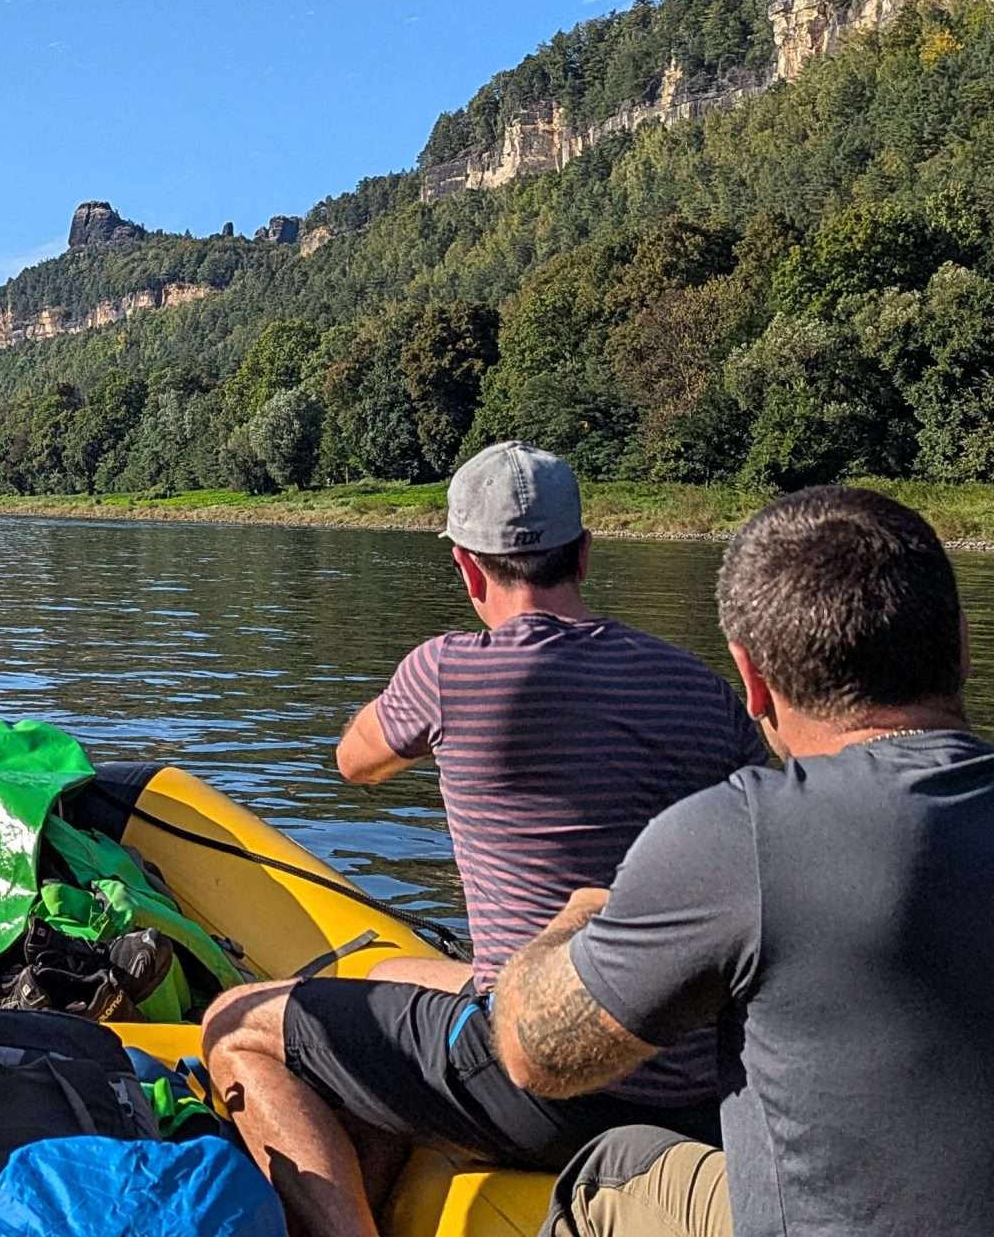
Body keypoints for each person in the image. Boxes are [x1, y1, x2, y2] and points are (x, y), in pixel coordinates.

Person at [490, 485, 994, 1237]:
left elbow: (537, 1054)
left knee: (613, 1168)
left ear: (751, 679)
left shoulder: (742, 834)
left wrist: (573, 922)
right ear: (960, 648)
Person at [202, 442, 769, 1237]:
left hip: (544, 1082)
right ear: (584, 553)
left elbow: (352, 763)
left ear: (468, 570)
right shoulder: (702, 691)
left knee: (237, 1024)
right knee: (395, 967)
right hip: (694, 1083)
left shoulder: (445, 672)